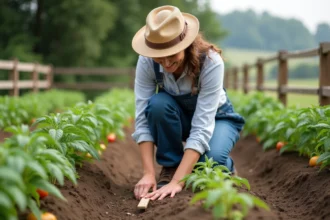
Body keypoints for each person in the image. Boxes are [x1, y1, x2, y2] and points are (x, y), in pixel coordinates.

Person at [131, 5, 245, 201]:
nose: (166, 63)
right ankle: (171, 165)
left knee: (211, 165)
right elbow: (142, 118)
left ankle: (226, 165)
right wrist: (148, 173)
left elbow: (202, 127)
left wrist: (178, 182)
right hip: (178, 116)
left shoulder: (210, 62)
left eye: (172, 54)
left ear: (185, 45)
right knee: (157, 104)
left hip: (218, 118)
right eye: (160, 56)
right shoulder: (147, 61)